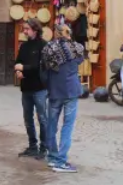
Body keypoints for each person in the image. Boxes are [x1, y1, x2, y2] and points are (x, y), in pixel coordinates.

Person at [43, 23, 86, 173]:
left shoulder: (48, 48)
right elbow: (80, 61)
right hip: (71, 90)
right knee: (67, 125)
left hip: (55, 90)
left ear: (56, 33)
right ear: (69, 33)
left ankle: (53, 157)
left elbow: (45, 66)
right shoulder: (78, 48)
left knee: (52, 124)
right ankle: (61, 161)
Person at [14, 18, 48, 159]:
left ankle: (44, 148)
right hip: (26, 88)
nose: (25, 31)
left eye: (27, 29)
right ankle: (32, 146)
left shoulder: (43, 45)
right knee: (28, 119)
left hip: (39, 88)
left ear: (35, 29)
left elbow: (40, 67)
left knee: (42, 119)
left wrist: (24, 68)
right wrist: (18, 71)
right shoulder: (24, 46)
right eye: (24, 29)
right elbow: (18, 62)